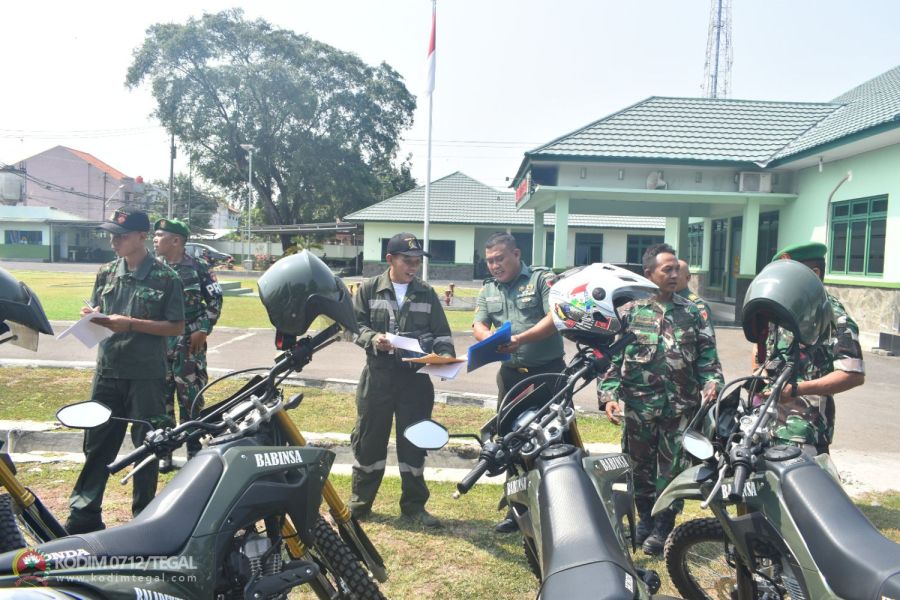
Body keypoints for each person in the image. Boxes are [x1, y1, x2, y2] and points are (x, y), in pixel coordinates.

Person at [599, 243, 723, 555]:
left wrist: (712, 382)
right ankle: (644, 520)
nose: (674, 273)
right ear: (648, 273)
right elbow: (612, 360)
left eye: (676, 268)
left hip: (680, 408)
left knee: (673, 470)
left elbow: (708, 357)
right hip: (640, 407)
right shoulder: (629, 312)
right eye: (666, 269)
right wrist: (609, 395)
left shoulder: (694, 312)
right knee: (639, 467)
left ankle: (663, 525)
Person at [66, 207, 185, 534]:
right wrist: (92, 316)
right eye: (112, 235)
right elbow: (99, 313)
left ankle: (144, 521)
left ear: (142, 236)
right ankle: (83, 516)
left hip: (145, 376)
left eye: (121, 236)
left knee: (146, 448)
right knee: (97, 444)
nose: (114, 241)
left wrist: (130, 323)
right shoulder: (106, 272)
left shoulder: (165, 278)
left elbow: (175, 327)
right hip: (108, 372)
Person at [348, 232, 455, 528]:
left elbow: (442, 334)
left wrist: (446, 357)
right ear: (390, 260)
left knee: (415, 443)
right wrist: (373, 338)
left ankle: (414, 506)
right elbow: (352, 326)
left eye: (417, 262)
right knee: (369, 441)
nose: (413, 267)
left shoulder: (426, 292)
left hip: (415, 380)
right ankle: (360, 503)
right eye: (407, 261)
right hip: (378, 377)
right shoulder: (369, 289)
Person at [473, 232, 564, 533]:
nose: (495, 266)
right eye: (489, 261)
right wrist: (488, 339)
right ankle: (518, 510)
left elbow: (555, 316)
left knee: (557, 438)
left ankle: (563, 506)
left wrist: (520, 339)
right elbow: (478, 323)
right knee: (510, 443)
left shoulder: (540, 279)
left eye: (500, 259)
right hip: (511, 378)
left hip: (548, 375)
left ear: (516, 254)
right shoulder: (488, 289)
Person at [761, 242, 865, 454]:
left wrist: (798, 389)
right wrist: (762, 373)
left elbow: (853, 374)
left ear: (814, 274)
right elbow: (765, 353)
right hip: (766, 426)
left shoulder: (834, 317)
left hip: (805, 434)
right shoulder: (784, 310)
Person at [152, 218, 224, 471]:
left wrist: (203, 329)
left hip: (189, 346)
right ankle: (165, 452)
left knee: (191, 399)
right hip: (159, 345)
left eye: (160, 235)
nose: (154, 239)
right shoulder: (152, 268)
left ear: (176, 241)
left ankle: (194, 452)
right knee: (161, 400)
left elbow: (215, 301)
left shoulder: (199, 267)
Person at [675, 259, 714, 335]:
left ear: (688, 278)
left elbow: (707, 338)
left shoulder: (698, 306)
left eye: (677, 274)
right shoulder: (660, 301)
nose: (672, 276)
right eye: (668, 272)